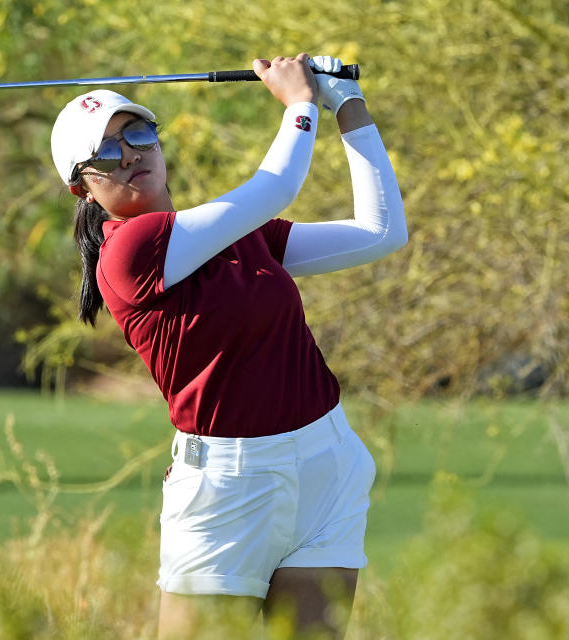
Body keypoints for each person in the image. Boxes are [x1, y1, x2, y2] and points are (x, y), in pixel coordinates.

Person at [50, 53, 407, 639]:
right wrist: (297, 104)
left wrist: (347, 106)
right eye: (107, 154)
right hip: (227, 488)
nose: (132, 154)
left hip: (326, 464)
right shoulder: (130, 251)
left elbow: (381, 232)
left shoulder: (235, 236)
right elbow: (276, 188)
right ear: (82, 189)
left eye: (138, 133)